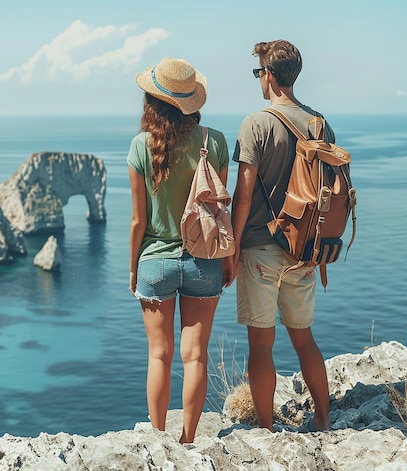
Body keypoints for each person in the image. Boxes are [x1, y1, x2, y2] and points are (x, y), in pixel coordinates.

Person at [127, 57, 235, 444]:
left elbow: (139, 221)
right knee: (196, 357)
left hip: (154, 261)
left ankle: (157, 441)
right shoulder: (215, 141)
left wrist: (132, 268)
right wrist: (230, 258)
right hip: (205, 259)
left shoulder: (141, 145)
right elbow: (222, 209)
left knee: (159, 355)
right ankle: (188, 441)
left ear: (153, 102)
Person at [230, 40, 332, 433]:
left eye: (260, 72)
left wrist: (233, 245)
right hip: (305, 249)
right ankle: (323, 419)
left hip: (259, 249)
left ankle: (266, 429)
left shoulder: (256, 123)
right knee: (304, 340)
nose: (260, 79)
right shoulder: (319, 122)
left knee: (261, 346)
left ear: (269, 75)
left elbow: (243, 194)